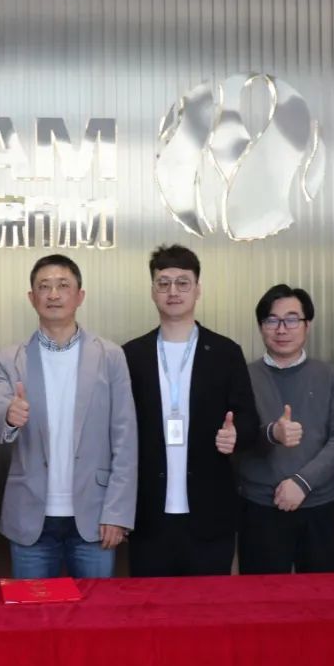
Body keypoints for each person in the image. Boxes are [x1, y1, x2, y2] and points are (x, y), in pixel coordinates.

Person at [0, 254, 137, 579]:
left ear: (80, 296)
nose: (53, 294)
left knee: (95, 610)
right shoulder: (11, 358)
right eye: (44, 286)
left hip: (95, 516)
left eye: (63, 285)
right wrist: (9, 416)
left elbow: (125, 439)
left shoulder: (110, 356)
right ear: (32, 298)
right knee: (33, 610)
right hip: (31, 518)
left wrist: (117, 512)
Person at [122, 244, 259, 576]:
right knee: (151, 606)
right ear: (152, 291)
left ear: (198, 289)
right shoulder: (131, 355)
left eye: (183, 283)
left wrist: (236, 435)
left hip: (210, 516)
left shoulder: (225, 352)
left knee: (207, 606)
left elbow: (248, 419)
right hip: (147, 516)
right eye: (164, 283)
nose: (173, 291)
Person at [237, 284, 334, 574]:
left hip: (321, 507)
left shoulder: (331, 376)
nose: (282, 329)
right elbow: (237, 438)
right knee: (263, 597)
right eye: (272, 320)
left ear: (307, 325)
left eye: (291, 319)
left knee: (322, 596)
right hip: (260, 508)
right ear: (261, 326)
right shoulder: (242, 377)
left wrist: (302, 482)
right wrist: (271, 434)